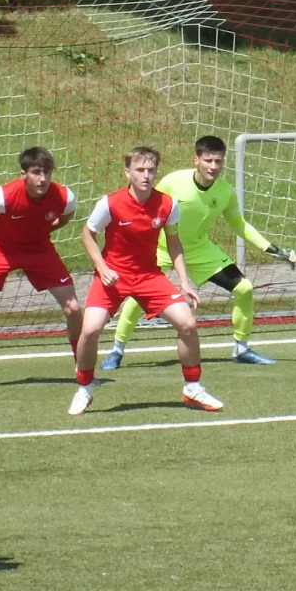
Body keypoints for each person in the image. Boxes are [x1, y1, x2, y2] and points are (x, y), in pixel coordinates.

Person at [104, 135, 296, 369]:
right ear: (196, 160)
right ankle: (116, 350)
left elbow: (240, 224)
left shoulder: (225, 192)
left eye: (218, 161)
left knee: (244, 288)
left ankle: (242, 348)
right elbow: (146, 205)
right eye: (208, 160)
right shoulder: (173, 182)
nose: (213, 166)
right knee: (138, 298)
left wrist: (271, 249)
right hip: (162, 247)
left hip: (198, 248)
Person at [69, 147, 225, 415]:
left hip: (149, 276)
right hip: (113, 276)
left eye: (151, 170)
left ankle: (192, 387)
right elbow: (87, 235)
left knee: (188, 324)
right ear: (127, 173)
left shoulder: (168, 204)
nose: (146, 175)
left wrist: (184, 281)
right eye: (140, 170)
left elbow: (174, 243)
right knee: (91, 329)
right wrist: (102, 268)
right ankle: (84, 389)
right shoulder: (110, 203)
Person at [0, 147, 83, 365]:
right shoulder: (2, 197)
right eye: (36, 172)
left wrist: (42, 231)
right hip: (0, 249)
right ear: (24, 174)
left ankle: (83, 365)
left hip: (39, 250)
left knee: (73, 308)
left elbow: (64, 218)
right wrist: (1, 232)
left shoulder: (65, 197)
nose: (43, 179)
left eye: (47, 172)